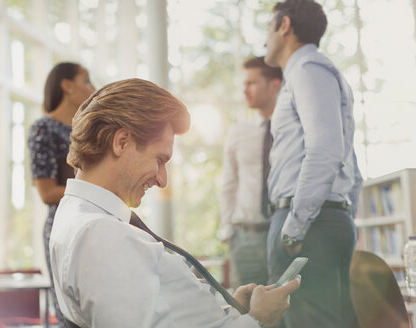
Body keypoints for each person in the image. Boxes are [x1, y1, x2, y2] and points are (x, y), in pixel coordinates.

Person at [49, 78, 300, 327]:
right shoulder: (101, 234)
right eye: (159, 159)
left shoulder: (83, 218)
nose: (162, 179)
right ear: (121, 142)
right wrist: (258, 321)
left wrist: (231, 310)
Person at [263, 0, 363, 327]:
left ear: (285, 25)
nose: (265, 38)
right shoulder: (314, 72)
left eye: (268, 26)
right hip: (322, 219)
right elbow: (352, 165)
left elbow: (325, 148)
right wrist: (343, 213)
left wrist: (295, 227)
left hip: (308, 223)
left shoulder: (307, 70)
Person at [28, 62, 95, 326]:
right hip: (63, 227)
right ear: (67, 86)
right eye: (86, 81)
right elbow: (46, 192)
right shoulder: (43, 128)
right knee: (70, 313)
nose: (93, 87)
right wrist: (94, 189)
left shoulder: (89, 132)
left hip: (94, 223)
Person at [220, 56, 282, 288]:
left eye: (251, 83)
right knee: (247, 315)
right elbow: (229, 184)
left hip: (283, 235)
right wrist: (228, 233)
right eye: (244, 84)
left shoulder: (293, 131)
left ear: (274, 84)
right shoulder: (238, 133)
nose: (245, 90)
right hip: (244, 238)